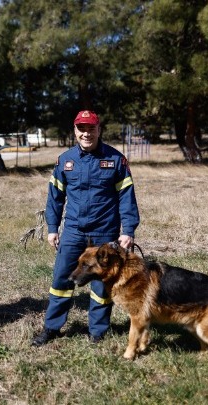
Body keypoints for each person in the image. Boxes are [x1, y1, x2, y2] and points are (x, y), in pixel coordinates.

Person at [31, 110, 140, 346]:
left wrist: (128, 230)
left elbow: (127, 197)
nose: (86, 133)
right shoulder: (65, 161)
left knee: (101, 284)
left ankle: (97, 332)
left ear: (99, 130)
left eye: (91, 128)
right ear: (75, 131)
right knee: (61, 281)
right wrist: (52, 228)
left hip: (104, 233)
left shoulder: (116, 160)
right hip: (73, 232)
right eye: (81, 129)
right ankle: (52, 328)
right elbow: (54, 197)